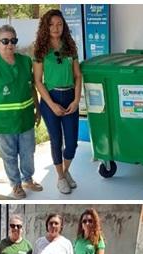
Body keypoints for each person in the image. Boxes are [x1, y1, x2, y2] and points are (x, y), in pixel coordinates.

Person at [0, 25, 42, 199]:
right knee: (9, 156)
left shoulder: (25, 61)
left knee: (28, 152)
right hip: (3, 123)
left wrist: (37, 109)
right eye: (5, 41)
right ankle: (16, 185)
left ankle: (28, 179)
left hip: (25, 119)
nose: (9, 45)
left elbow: (31, 88)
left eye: (13, 40)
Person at [33, 9, 82, 194]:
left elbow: (78, 76)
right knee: (56, 140)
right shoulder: (40, 50)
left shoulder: (70, 47)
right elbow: (38, 80)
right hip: (50, 99)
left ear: (64, 26)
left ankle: (65, 172)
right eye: (52, 24)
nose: (56, 28)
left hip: (70, 97)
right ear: (46, 26)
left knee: (72, 143)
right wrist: (52, 105)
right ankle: (61, 178)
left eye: (59, 24)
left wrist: (76, 100)